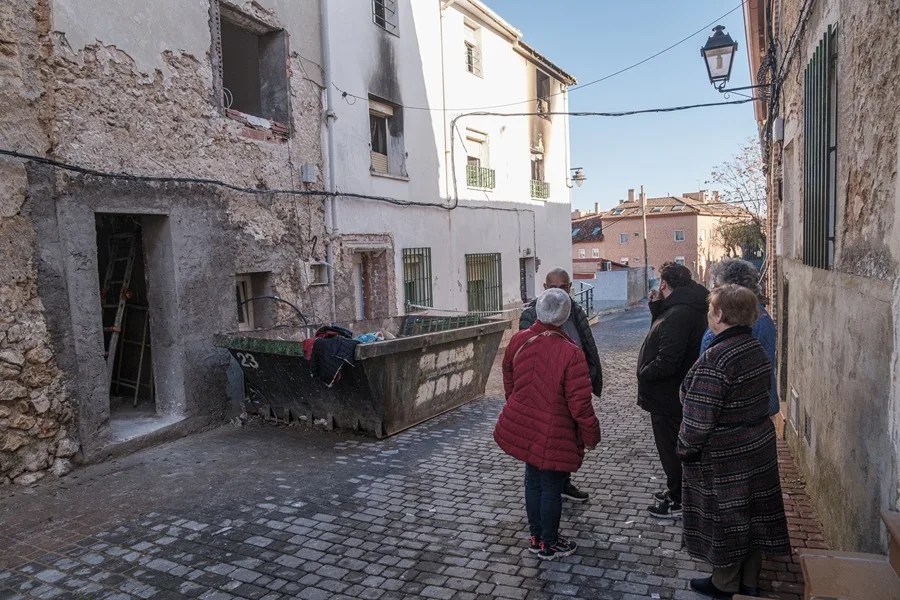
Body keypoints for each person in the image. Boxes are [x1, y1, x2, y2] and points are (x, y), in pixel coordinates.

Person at [678, 284, 791, 597]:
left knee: (728, 518)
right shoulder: (753, 347)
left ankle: (724, 584)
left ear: (718, 315)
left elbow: (699, 419)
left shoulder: (717, 357)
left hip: (726, 456)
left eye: (712, 309)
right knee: (753, 514)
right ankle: (750, 581)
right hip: (757, 446)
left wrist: (685, 450)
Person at [494, 288, 601, 560]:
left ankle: (536, 538)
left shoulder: (519, 340)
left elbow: (508, 373)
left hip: (528, 424)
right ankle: (549, 544)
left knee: (533, 483)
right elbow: (580, 404)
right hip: (556, 429)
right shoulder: (571, 353)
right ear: (565, 316)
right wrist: (591, 435)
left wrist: (515, 401)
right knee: (551, 487)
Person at [520, 268, 602, 503]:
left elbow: (587, 344)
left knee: (567, 443)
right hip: (545, 396)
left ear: (569, 288)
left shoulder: (575, 311)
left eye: (563, 286)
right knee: (540, 451)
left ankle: (563, 483)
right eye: (553, 286)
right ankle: (543, 496)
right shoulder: (531, 315)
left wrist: (591, 375)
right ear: (545, 288)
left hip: (574, 389)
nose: (558, 290)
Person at [636, 262, 708, 518]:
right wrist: (657, 308)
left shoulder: (679, 313)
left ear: (665, 284)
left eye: (659, 282)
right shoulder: (686, 306)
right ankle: (676, 490)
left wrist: (644, 372)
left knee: (671, 449)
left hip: (668, 396)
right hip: (674, 394)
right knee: (673, 447)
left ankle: (678, 499)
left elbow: (668, 360)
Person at [699, 258, 778, 416]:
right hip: (757, 410)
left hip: (733, 416)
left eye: (717, 287)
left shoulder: (732, 324)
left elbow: (708, 384)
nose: (712, 293)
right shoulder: (761, 316)